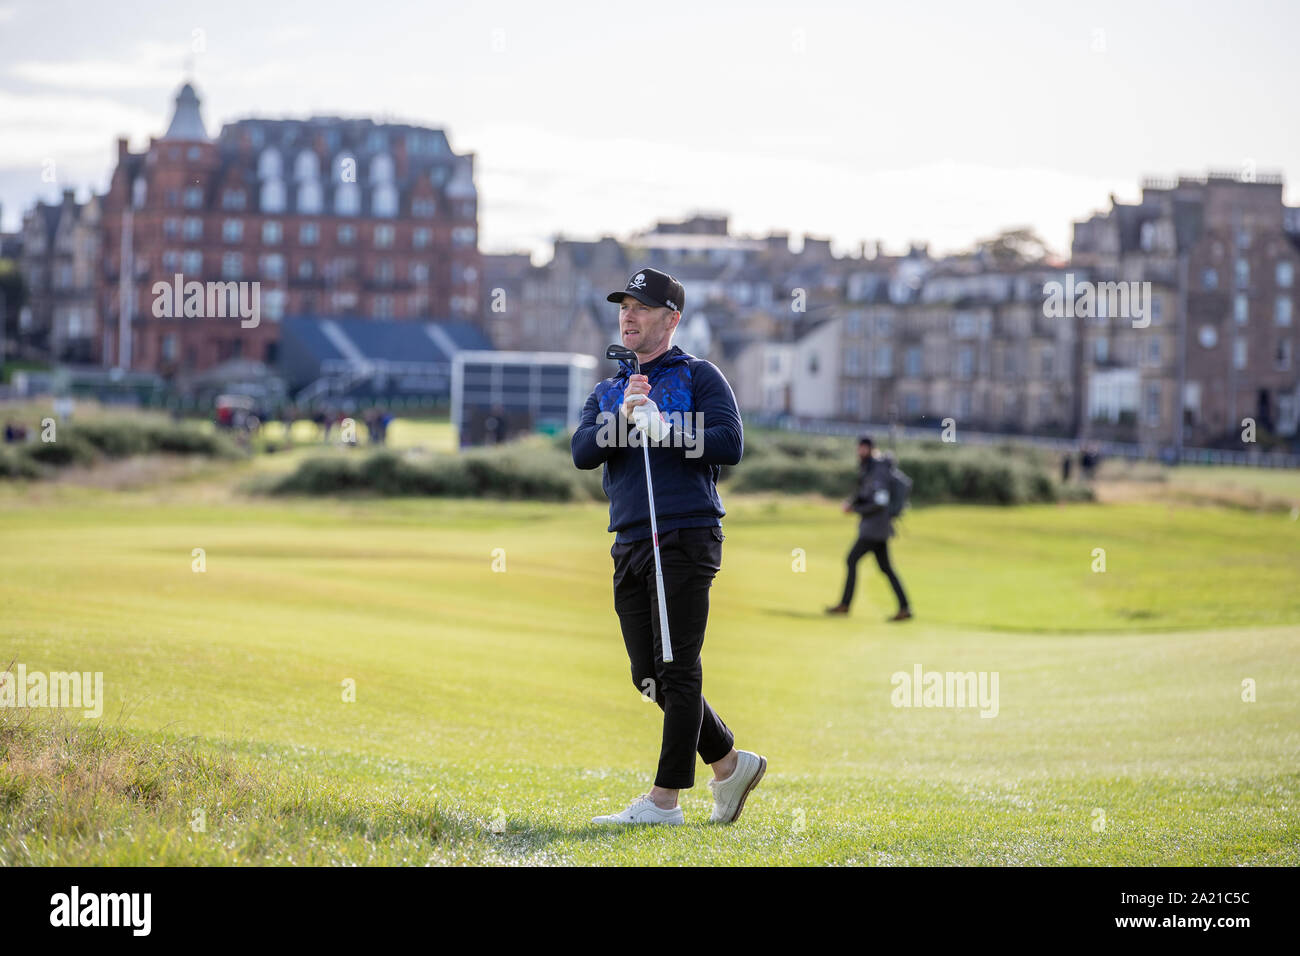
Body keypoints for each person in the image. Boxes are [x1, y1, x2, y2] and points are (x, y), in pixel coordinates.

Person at [571, 267, 766, 826]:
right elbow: (584, 452)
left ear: (671, 319)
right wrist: (622, 419)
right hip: (630, 538)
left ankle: (665, 800)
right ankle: (729, 763)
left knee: (678, 667)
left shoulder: (700, 376)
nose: (627, 316)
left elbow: (728, 444)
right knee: (648, 674)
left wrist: (667, 431)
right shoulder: (609, 388)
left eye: (640, 307)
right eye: (623, 307)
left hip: (685, 532)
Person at [826, 434, 913, 621]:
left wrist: (855, 509)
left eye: (862, 448)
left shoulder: (878, 469)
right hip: (876, 528)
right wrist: (853, 502)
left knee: (851, 560)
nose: (859, 451)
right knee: (886, 568)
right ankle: (905, 607)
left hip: (875, 528)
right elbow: (864, 493)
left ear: (870, 448)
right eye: (859, 447)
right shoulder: (868, 468)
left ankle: (845, 605)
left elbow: (880, 502)